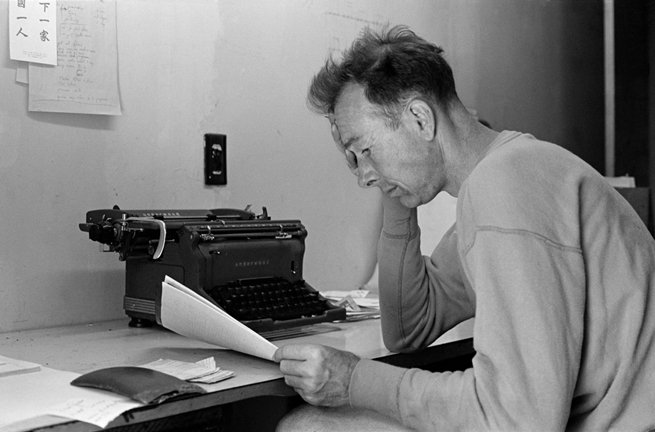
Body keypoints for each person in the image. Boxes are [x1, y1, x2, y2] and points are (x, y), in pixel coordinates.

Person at [274, 25, 655, 431]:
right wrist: (391, 187)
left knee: (307, 427)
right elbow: (409, 328)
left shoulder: (506, 184)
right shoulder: (507, 175)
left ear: (420, 119)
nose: (362, 177)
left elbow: (520, 420)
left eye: (365, 150)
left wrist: (354, 381)